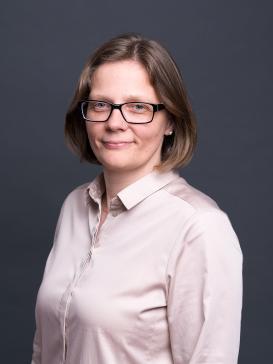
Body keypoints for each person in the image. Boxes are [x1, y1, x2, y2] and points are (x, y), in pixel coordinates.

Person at [31, 33, 243, 364]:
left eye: (138, 107)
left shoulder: (199, 228)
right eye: (101, 104)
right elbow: (45, 349)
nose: (115, 123)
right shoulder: (74, 206)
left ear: (170, 120)